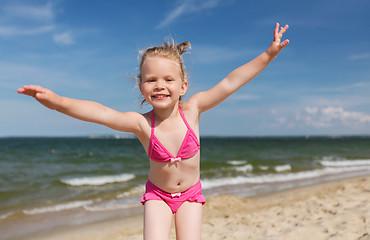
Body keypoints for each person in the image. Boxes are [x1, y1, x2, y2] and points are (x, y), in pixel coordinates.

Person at [17, 23, 289, 240]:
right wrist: (56, 102)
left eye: (168, 79)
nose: (160, 85)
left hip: (191, 195)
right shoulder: (141, 124)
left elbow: (230, 82)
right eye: (151, 80)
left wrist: (268, 55)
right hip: (157, 195)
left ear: (183, 86)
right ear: (141, 88)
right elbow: (100, 113)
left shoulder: (193, 110)